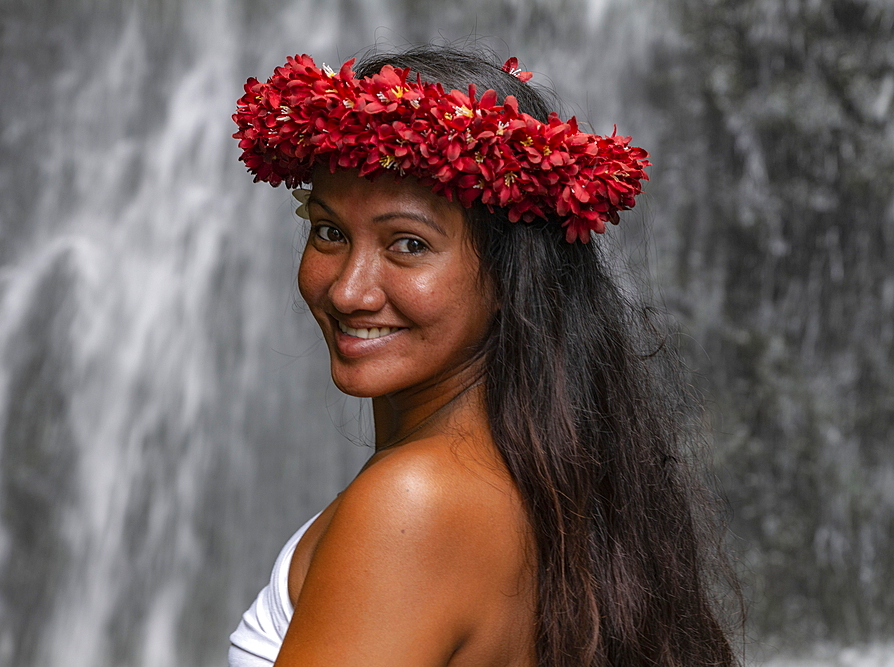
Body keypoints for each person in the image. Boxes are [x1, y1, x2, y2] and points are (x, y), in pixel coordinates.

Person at [227, 45, 739, 667]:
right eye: (330, 232)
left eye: (408, 244)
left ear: (508, 278)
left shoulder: (413, 505)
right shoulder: (549, 481)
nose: (348, 290)